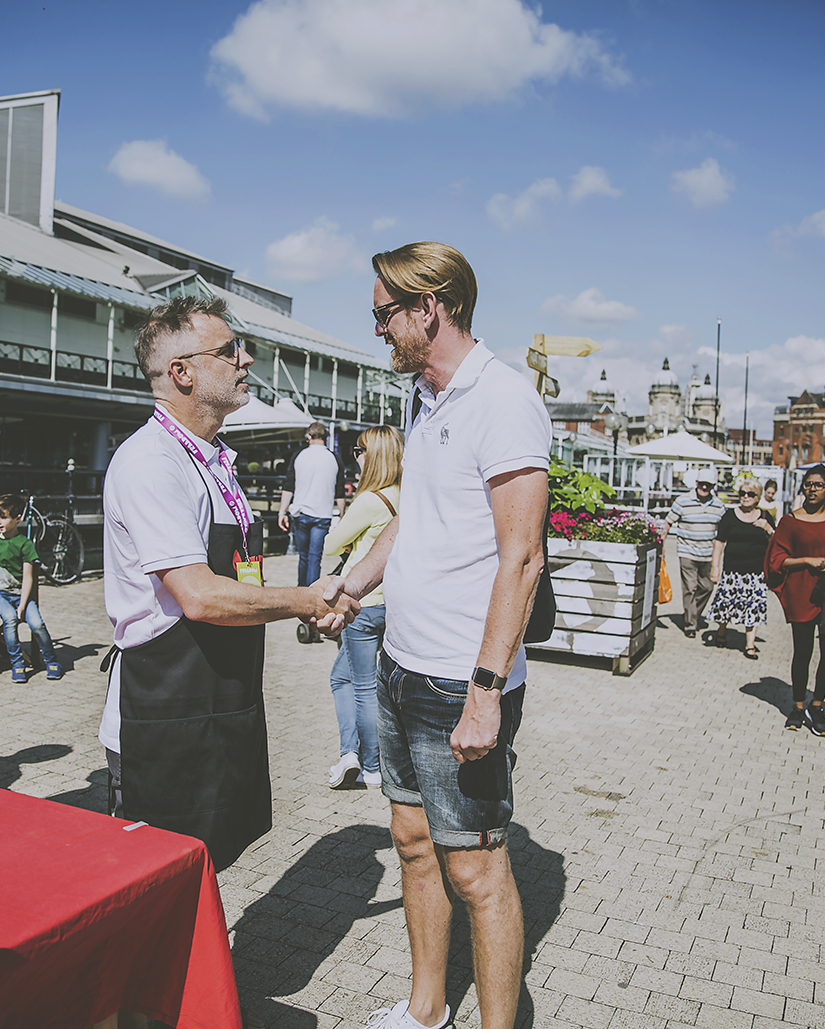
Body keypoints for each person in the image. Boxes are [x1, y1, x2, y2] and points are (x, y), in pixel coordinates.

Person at [321, 242, 550, 1029]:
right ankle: (425, 1010)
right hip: (398, 662)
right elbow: (415, 522)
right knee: (413, 840)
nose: (378, 328)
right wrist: (352, 587)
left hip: (462, 678)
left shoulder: (503, 399)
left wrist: (485, 694)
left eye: (384, 313)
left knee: (478, 869)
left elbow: (521, 557)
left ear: (431, 307)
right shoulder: (425, 397)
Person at [99, 295, 356, 873]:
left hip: (219, 699)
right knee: (154, 890)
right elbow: (199, 593)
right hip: (162, 714)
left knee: (203, 873)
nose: (246, 361)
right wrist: (304, 599)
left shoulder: (214, 460)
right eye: (230, 350)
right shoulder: (151, 462)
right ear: (181, 373)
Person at [324, 424, 402, 790]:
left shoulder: (370, 500)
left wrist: (343, 536)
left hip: (363, 603)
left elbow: (330, 544)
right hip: (393, 602)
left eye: (359, 450)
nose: (356, 457)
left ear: (371, 457)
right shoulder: (406, 495)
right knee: (344, 677)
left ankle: (370, 764)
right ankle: (350, 753)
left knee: (362, 686)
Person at [766, 465, 825, 736]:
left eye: (818, 485)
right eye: (808, 484)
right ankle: (797, 705)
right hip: (802, 592)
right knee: (802, 651)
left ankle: (816, 705)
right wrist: (807, 560)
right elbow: (776, 559)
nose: (812, 488)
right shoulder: (790, 521)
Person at [0, 495, 61, 683]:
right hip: (0, 593)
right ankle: (17, 663)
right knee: (9, 619)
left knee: (37, 624)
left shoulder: (25, 544)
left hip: (21, 595)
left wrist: (23, 605)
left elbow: (28, 577)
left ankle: (51, 659)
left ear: (17, 518)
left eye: (3, 517)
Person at [707, 475, 775, 658]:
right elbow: (719, 542)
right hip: (732, 571)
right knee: (726, 605)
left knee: (753, 607)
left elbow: (777, 542)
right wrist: (715, 567)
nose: (745, 496)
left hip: (756, 573)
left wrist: (767, 528)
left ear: (758, 497)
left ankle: (749, 645)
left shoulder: (765, 516)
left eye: (750, 494)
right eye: (742, 493)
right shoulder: (729, 516)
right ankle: (721, 632)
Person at [278, 421, 346, 587]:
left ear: (308, 436)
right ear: (325, 437)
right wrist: (343, 516)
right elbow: (340, 491)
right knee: (315, 557)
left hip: (301, 513)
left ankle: (301, 591)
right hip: (323, 514)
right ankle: (312, 594)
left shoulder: (299, 456)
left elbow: (289, 486)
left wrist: (282, 512)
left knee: (304, 557)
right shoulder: (334, 458)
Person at [661, 467, 726, 637]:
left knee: (707, 587)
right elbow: (667, 523)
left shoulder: (719, 505)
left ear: (713, 486)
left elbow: (724, 531)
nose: (705, 488)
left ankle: (691, 613)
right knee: (690, 588)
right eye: (702, 484)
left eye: (708, 485)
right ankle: (690, 625)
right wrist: (661, 545)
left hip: (708, 553)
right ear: (696, 483)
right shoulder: (682, 501)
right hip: (687, 552)